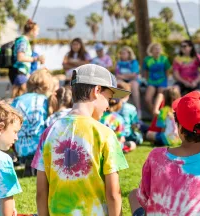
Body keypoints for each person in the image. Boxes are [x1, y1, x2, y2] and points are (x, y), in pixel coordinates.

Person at [32, 64, 130, 215]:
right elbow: (113, 194)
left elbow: (41, 193)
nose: (108, 107)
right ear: (97, 91)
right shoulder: (105, 134)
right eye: (109, 99)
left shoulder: (49, 133)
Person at [11, 69, 53, 177]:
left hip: (20, 145)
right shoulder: (45, 100)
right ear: (47, 86)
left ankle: (28, 163)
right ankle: (35, 164)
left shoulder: (17, 100)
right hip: (38, 145)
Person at [0, 102, 23, 216]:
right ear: (0, 128)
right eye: (15, 131)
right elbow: (6, 200)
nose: (16, 137)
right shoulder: (2, 160)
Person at [10, 19, 45, 98]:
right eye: (37, 31)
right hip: (19, 73)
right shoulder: (23, 41)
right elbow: (20, 57)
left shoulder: (25, 41)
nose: (38, 33)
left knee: (19, 97)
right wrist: (36, 59)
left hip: (22, 73)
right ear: (32, 30)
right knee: (24, 97)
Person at [143, 43, 172, 114]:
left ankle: (159, 114)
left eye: (159, 49)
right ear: (151, 50)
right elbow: (145, 72)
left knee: (160, 96)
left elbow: (167, 71)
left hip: (162, 81)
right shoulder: (147, 59)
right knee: (147, 99)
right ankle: (154, 114)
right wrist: (147, 80)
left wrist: (166, 81)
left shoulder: (164, 59)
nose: (157, 50)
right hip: (151, 81)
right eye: (155, 49)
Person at [115, 46, 141, 116]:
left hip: (133, 80)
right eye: (121, 53)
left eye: (124, 53)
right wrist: (126, 76)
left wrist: (123, 76)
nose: (122, 55)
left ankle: (138, 109)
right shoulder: (119, 63)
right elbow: (117, 75)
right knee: (118, 84)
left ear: (129, 54)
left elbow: (134, 74)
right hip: (123, 80)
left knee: (134, 85)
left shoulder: (134, 62)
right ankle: (117, 107)